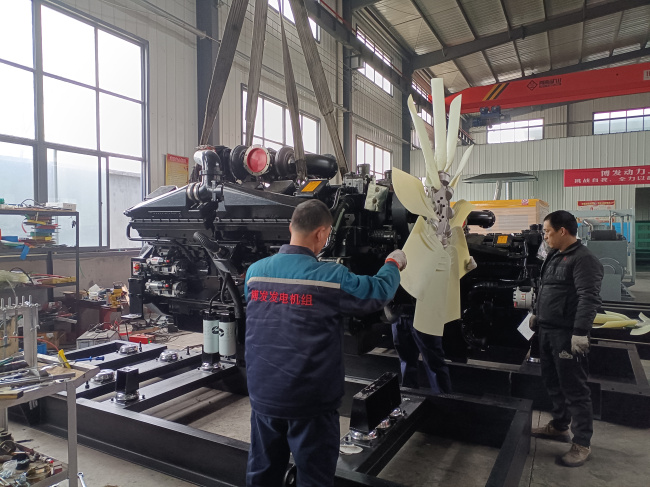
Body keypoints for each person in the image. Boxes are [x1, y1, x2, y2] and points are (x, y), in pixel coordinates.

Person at [244, 199, 406, 487]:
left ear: (291, 227)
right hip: (310, 401)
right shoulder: (329, 277)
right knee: (314, 476)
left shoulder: (254, 272)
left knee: (263, 471)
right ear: (321, 233)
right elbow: (377, 292)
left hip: (264, 394)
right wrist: (393, 264)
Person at [530, 210, 603, 467]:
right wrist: (537, 314)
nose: (545, 237)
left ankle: (582, 443)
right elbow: (545, 288)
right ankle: (560, 426)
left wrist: (580, 333)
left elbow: (588, 298)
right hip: (547, 331)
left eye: (548, 232)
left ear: (562, 231)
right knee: (552, 381)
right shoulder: (554, 255)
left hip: (566, 334)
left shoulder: (584, 260)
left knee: (574, 388)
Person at [391, 309, 452, 394]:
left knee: (433, 361)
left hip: (424, 315)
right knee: (406, 361)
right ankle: (410, 397)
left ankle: (443, 398)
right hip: (399, 316)